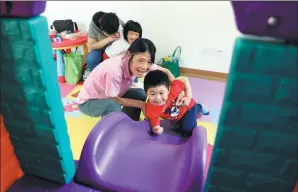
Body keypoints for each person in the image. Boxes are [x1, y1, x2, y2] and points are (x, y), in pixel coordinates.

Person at [77, 38, 175, 121]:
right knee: (113, 106)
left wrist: (178, 91)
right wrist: (141, 105)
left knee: (140, 94)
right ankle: (110, 133)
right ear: (129, 55)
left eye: (149, 62)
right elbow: (113, 98)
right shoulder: (115, 71)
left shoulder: (140, 62)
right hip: (89, 101)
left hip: (114, 93)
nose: (145, 67)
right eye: (141, 60)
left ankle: (129, 122)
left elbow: (166, 71)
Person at [143, 70, 198, 136]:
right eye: (152, 94)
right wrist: (157, 130)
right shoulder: (150, 108)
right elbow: (155, 123)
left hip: (189, 108)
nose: (158, 98)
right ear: (146, 93)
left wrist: (188, 97)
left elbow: (184, 79)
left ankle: (199, 107)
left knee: (187, 131)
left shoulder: (173, 91)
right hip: (176, 116)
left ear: (168, 90)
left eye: (161, 93)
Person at [83, 11, 125, 79]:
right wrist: (109, 39)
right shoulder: (93, 26)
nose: (115, 34)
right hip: (100, 48)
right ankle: (98, 77)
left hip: (115, 47)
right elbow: (91, 46)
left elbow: (129, 34)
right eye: (110, 33)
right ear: (102, 29)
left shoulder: (117, 21)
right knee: (91, 59)